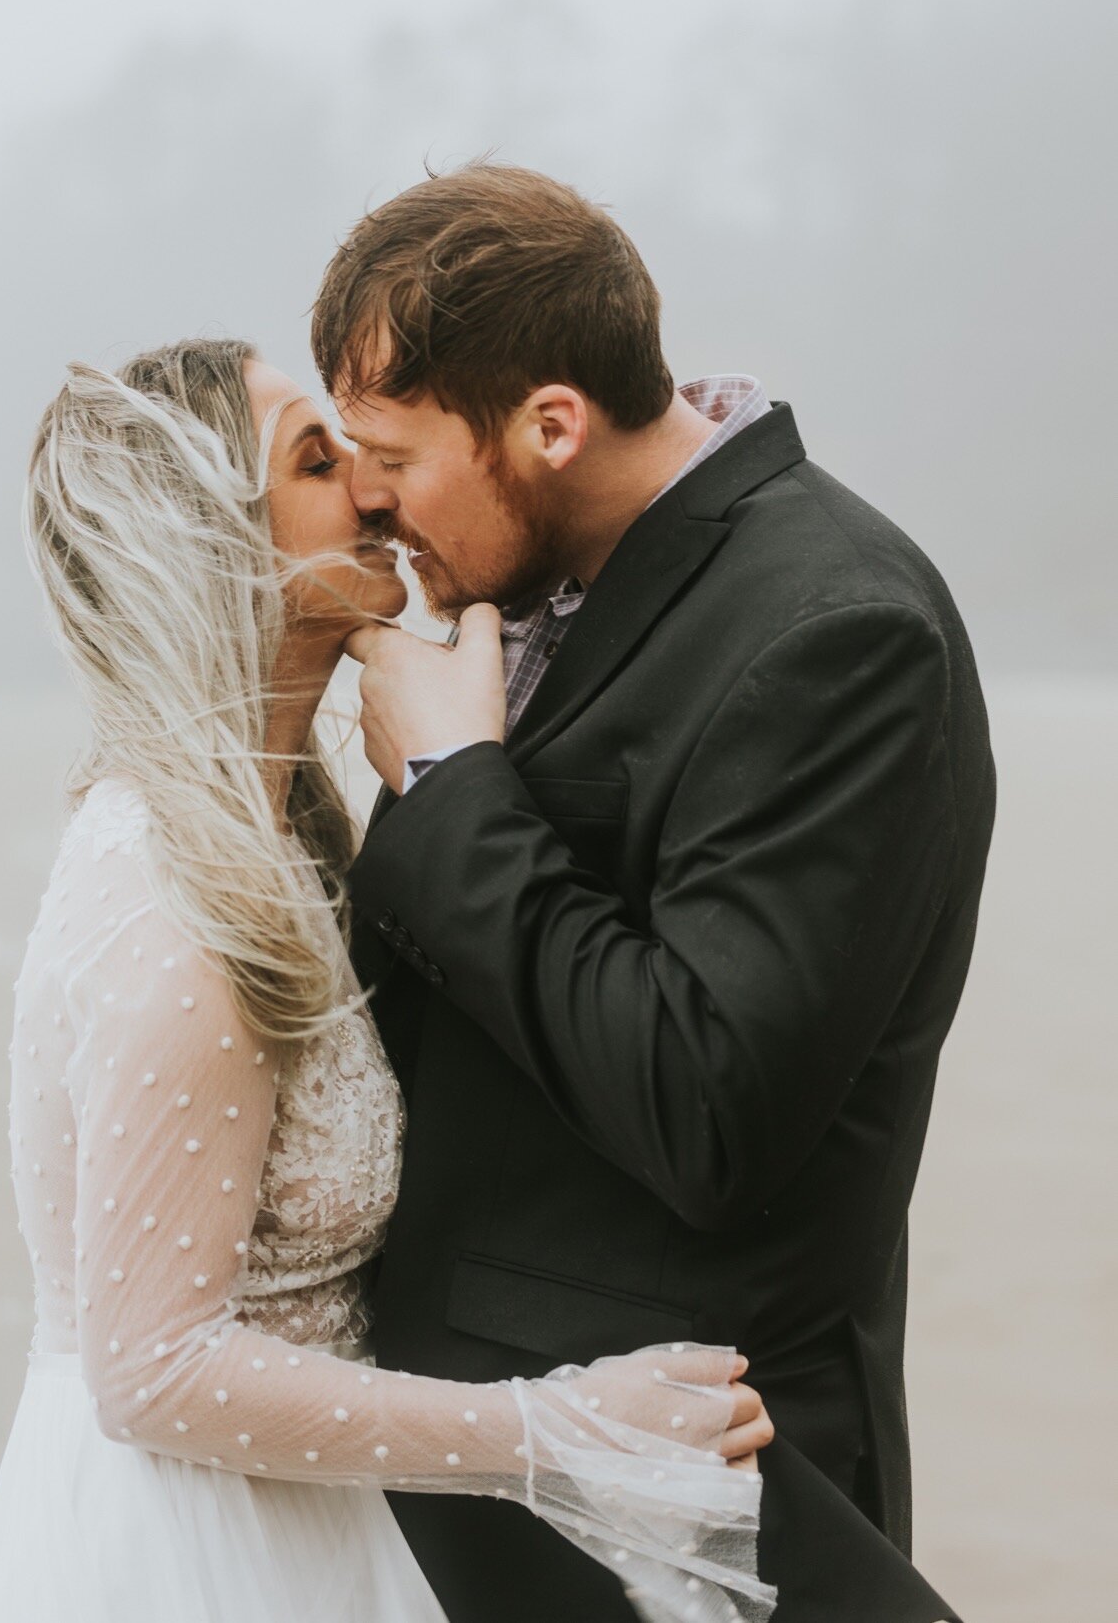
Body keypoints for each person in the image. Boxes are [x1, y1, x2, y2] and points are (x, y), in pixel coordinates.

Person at [0, 337, 776, 1623]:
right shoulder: (181, 905)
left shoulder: (282, 836)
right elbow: (154, 1374)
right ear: (216, 545)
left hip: (299, 1522)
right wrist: (553, 1429)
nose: (377, 490)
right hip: (196, 1553)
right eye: (318, 460)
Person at [314, 162, 991, 1623]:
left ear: (550, 423)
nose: (366, 499)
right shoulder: (529, 579)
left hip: (698, 1488)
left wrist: (451, 789)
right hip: (489, 1473)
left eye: (392, 452)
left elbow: (708, 1097)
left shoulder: (839, 628)